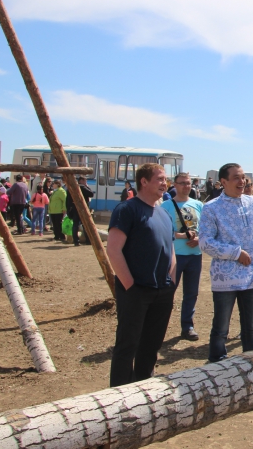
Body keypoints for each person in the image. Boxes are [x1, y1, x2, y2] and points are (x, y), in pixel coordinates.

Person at [106, 163, 176, 387]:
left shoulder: (164, 213)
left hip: (162, 291)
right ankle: (117, 395)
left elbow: (170, 249)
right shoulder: (127, 210)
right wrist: (130, 285)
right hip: (136, 290)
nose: (164, 183)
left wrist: (171, 283)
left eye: (165, 179)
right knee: (128, 345)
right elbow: (113, 250)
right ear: (143, 181)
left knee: (151, 346)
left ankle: (143, 391)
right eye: (160, 179)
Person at [200, 164, 253, 360]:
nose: (242, 182)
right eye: (236, 178)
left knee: (250, 328)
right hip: (225, 279)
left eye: (243, 178)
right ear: (223, 182)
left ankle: (252, 364)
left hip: (251, 276)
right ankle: (216, 366)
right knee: (221, 328)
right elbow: (205, 242)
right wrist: (235, 253)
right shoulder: (211, 208)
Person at [160, 173, 204, 341]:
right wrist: (181, 236)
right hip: (175, 255)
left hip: (195, 255)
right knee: (168, 292)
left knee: (191, 293)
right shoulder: (165, 206)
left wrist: (199, 239)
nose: (186, 186)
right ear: (175, 185)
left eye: (189, 183)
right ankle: (160, 326)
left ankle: (187, 326)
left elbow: (207, 228)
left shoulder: (199, 205)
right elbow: (163, 231)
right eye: (182, 183)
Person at [65, 176, 94, 246]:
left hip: (74, 209)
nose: (85, 183)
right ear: (80, 181)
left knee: (75, 224)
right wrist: (87, 186)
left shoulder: (70, 188)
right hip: (83, 209)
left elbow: (67, 201)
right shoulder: (82, 187)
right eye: (85, 181)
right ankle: (88, 240)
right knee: (85, 224)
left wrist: (69, 210)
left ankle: (76, 241)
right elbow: (91, 194)